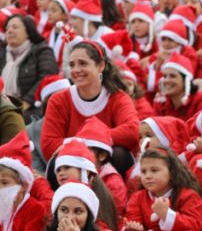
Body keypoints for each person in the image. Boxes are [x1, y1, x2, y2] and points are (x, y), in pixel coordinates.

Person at [39, 41, 139, 169]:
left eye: (83, 63)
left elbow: (132, 131)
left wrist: (87, 141)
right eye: (72, 65)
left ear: (101, 65)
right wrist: (90, 143)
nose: (75, 70)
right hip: (73, 165)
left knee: (120, 153)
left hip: (107, 163)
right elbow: (49, 144)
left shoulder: (118, 97)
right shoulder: (58, 100)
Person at [0, 15, 58, 109]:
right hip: (5, 106)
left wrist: (26, 102)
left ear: (28, 32)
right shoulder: (2, 54)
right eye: (7, 28)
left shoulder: (42, 51)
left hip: (33, 107)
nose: (9, 31)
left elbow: (47, 77)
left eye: (15, 27)